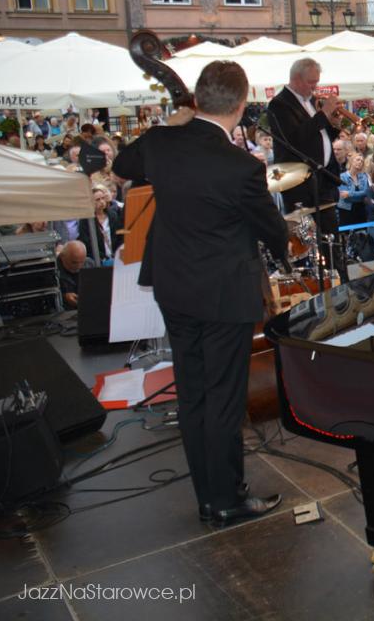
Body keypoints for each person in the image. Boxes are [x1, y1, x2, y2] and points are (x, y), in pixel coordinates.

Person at [112, 60, 289, 527]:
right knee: (225, 398)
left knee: (192, 395)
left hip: (174, 288)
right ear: (241, 104)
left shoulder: (160, 144)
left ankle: (208, 497)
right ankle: (228, 499)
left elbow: (120, 164)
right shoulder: (240, 167)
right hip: (224, 295)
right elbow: (272, 230)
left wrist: (171, 122)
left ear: (196, 98)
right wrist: (282, 241)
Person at [266, 57, 349, 280]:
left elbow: (318, 136)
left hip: (323, 181)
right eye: (311, 82)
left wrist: (333, 126)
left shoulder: (310, 101)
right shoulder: (279, 105)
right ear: (296, 79)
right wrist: (323, 115)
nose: (315, 87)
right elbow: (295, 140)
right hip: (299, 184)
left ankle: (340, 279)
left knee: (332, 244)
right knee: (309, 247)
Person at [56, 240, 92, 310]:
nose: (78, 266)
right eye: (74, 262)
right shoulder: (53, 270)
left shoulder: (89, 264)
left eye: (82, 262)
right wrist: (64, 297)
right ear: (62, 256)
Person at [337, 153, 369, 228]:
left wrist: (350, 194)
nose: (360, 162)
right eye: (358, 160)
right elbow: (345, 197)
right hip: (346, 210)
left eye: (362, 161)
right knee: (347, 234)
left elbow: (366, 192)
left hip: (361, 210)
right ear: (351, 161)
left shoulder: (363, 176)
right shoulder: (342, 177)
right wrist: (359, 195)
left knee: (362, 234)